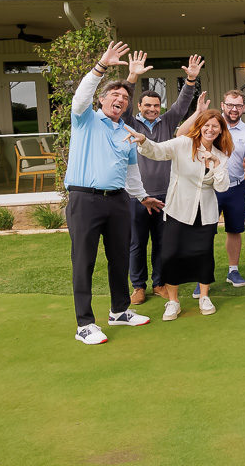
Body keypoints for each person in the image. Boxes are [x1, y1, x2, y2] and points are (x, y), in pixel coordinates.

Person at [65, 41, 152, 345]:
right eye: (114, 95)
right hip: (84, 199)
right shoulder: (85, 119)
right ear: (101, 100)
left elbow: (131, 172)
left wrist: (142, 197)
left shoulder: (126, 133)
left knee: (119, 257)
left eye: (125, 97)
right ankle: (84, 324)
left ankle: (119, 310)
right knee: (84, 260)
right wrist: (101, 65)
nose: (120, 99)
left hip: (117, 201)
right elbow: (80, 97)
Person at [124, 110, 233, 322]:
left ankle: (204, 297)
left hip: (206, 213)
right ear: (200, 126)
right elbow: (156, 151)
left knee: (204, 256)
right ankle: (173, 302)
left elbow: (222, 187)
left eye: (215, 126)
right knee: (171, 255)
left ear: (221, 130)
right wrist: (144, 140)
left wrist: (215, 165)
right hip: (178, 210)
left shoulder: (221, 155)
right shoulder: (183, 143)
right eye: (207, 125)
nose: (210, 129)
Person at [122, 51, 201, 304]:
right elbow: (125, 99)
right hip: (137, 196)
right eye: (148, 105)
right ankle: (138, 286)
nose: (153, 109)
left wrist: (190, 81)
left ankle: (159, 283)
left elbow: (182, 104)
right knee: (137, 244)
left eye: (156, 105)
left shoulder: (168, 122)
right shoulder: (129, 122)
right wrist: (132, 77)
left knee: (162, 242)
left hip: (166, 195)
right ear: (140, 107)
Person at [177, 89, 245, 290]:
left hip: (235, 189)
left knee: (234, 230)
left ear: (243, 108)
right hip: (208, 188)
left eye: (238, 105)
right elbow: (180, 135)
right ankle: (202, 276)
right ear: (223, 105)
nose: (234, 109)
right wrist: (197, 113)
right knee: (205, 232)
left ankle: (233, 270)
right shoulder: (210, 125)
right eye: (230, 104)